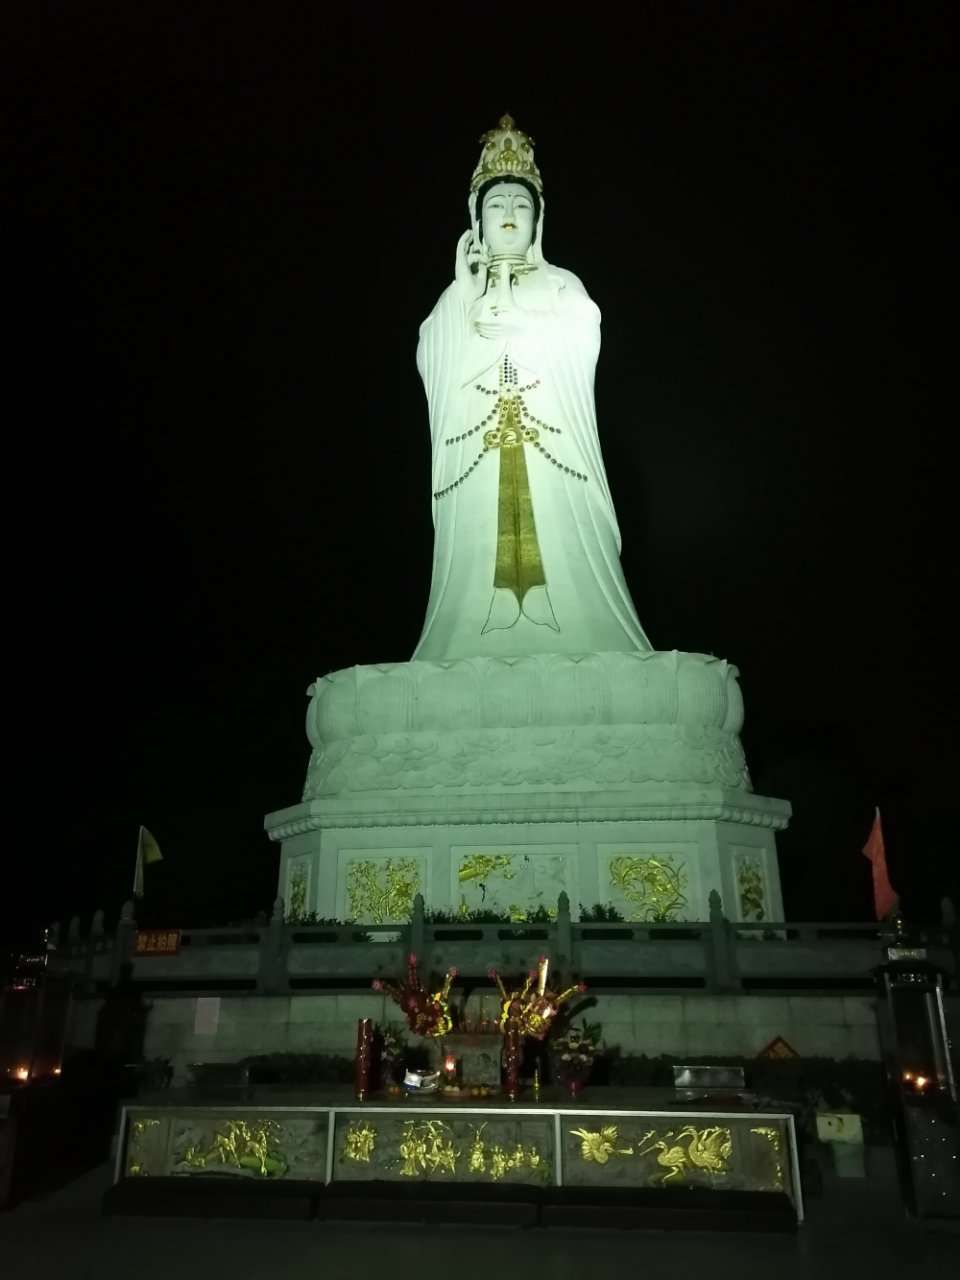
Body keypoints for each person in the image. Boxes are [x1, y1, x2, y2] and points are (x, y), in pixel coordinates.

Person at [413, 115, 652, 661]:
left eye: (521, 206)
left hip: (553, 461)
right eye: (496, 206)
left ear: (539, 219)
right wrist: (462, 296)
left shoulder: (561, 285)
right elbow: (432, 356)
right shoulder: (459, 298)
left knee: (564, 550)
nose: (509, 217)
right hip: (480, 460)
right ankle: (462, 640)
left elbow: (582, 336)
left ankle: (587, 633)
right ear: (475, 220)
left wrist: (524, 321)